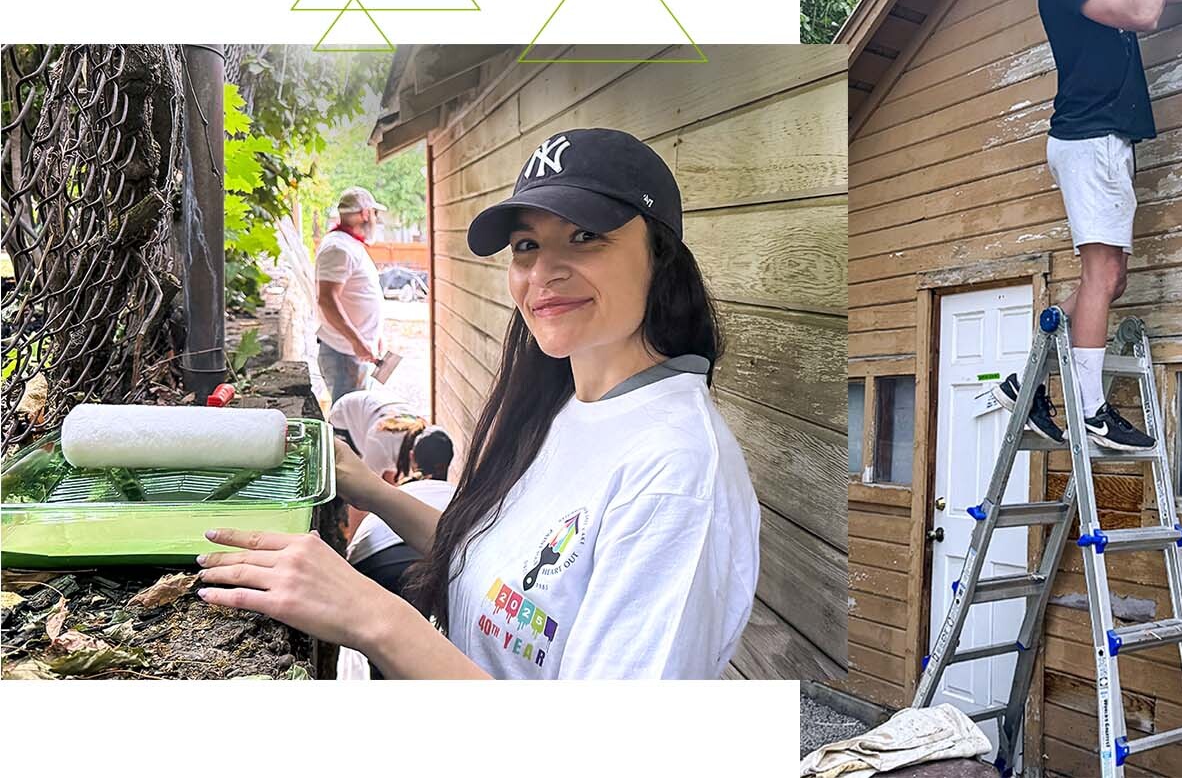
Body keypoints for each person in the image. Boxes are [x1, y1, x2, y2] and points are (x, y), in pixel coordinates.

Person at [197, 128, 762, 679]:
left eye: (586, 235)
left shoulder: (678, 476)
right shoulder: (571, 404)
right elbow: (492, 568)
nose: (543, 271)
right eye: (526, 246)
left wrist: (373, 616)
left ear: (661, 257)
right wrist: (367, 486)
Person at [1019, 0, 1182, 451]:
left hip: (1108, 140)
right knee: (1100, 275)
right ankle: (1093, 412)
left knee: (1111, 280)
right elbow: (1143, 16)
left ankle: (1027, 381)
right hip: (1088, 138)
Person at [339, 427, 457, 680]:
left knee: (383, 654)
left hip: (374, 560)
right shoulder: (459, 493)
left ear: (413, 457)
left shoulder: (399, 491)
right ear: (449, 462)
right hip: (443, 560)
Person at [315, 186, 387, 405]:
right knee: (347, 424)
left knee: (356, 416)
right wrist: (356, 341)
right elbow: (327, 300)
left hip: (354, 353)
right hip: (344, 355)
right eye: (374, 214)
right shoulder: (338, 248)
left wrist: (374, 336)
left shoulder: (348, 244)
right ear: (365, 213)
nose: (376, 219)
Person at [326, 387, 426, 482]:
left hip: (373, 406)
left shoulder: (422, 430)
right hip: (345, 414)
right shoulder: (379, 444)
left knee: (386, 474)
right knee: (352, 472)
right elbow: (365, 485)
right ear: (412, 456)